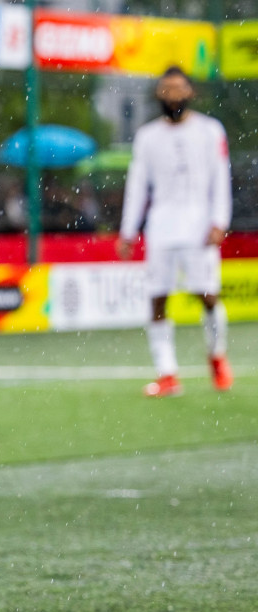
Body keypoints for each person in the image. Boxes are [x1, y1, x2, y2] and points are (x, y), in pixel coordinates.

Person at [117, 67, 233, 397]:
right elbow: (137, 186)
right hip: (162, 227)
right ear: (158, 95)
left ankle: (216, 355)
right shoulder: (147, 136)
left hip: (199, 225)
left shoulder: (210, 131)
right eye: (166, 89)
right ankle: (167, 373)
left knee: (207, 295)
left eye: (179, 89)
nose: (173, 95)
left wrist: (219, 222)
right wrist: (128, 231)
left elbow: (219, 179)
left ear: (190, 92)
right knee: (157, 298)